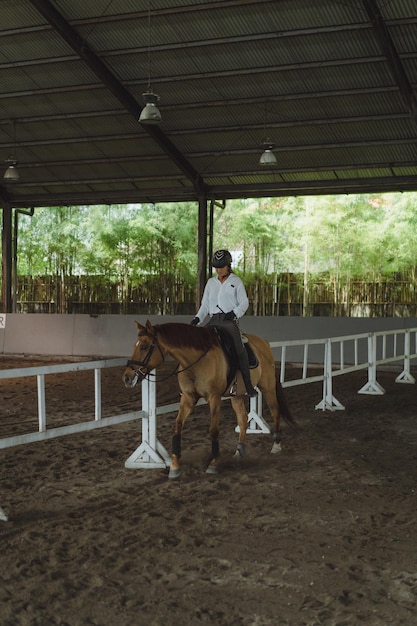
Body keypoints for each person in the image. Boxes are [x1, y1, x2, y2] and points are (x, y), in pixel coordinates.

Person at [190, 249, 257, 397]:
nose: (219, 270)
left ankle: (247, 384)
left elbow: (244, 302)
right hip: (213, 319)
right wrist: (197, 318)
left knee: (239, 348)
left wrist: (234, 313)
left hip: (228, 321)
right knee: (199, 345)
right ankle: (195, 381)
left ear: (228, 266)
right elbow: (205, 305)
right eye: (217, 268)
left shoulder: (236, 281)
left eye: (222, 267)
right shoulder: (211, 283)